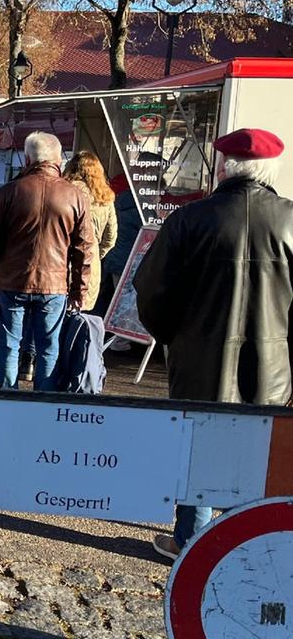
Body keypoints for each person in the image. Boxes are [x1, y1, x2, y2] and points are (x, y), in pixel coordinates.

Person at [134, 128, 293, 561]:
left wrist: (172, 337)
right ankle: (245, 540)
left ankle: (189, 540)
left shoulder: (188, 220)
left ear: (224, 167)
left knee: (199, 449)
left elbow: (150, 291)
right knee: (258, 457)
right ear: (270, 168)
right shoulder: (291, 220)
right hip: (274, 365)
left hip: (200, 359)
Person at [0, 132, 94, 391]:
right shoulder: (76, 196)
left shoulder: (9, 192)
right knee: (49, 345)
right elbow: (83, 249)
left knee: (9, 342)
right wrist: (79, 289)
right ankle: (43, 398)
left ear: (28, 158)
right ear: (58, 159)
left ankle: (8, 393)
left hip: (13, 280)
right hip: (54, 284)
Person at [62, 152, 118, 310]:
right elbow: (110, 238)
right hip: (91, 265)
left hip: (62, 261)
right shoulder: (105, 197)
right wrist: (94, 254)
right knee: (80, 317)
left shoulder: (64, 191)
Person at [91, 172, 141, 323]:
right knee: (124, 304)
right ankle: (120, 340)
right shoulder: (139, 211)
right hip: (128, 261)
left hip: (114, 259)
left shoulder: (117, 200)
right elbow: (110, 235)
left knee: (113, 299)